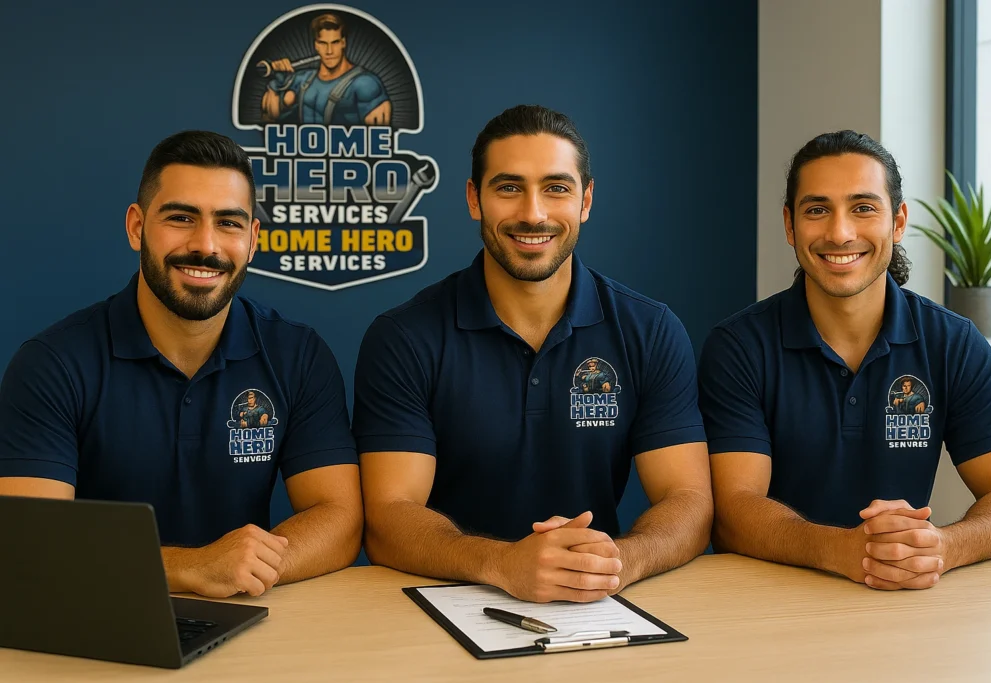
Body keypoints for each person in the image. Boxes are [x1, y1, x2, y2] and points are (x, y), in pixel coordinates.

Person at [353, 104, 712, 603]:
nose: (533, 214)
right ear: (474, 199)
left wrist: (617, 562)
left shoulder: (649, 330)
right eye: (508, 188)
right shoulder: (403, 337)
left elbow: (689, 501)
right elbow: (389, 516)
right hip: (443, 598)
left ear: (586, 200)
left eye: (556, 188)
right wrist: (503, 563)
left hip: (594, 599)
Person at [0, 130, 363, 597]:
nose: (205, 245)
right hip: (97, 617)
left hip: (246, 619)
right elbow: (30, 544)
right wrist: (191, 567)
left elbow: (341, 520)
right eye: (181, 217)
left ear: (253, 240)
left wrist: (250, 568)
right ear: (136, 227)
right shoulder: (53, 364)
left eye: (229, 223)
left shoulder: (297, 355)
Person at [698, 130, 991, 590]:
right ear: (790, 225)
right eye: (817, 210)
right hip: (766, 600)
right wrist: (843, 549)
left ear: (898, 221)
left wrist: (944, 547)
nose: (840, 232)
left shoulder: (953, 342)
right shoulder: (738, 347)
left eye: (863, 208)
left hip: (900, 599)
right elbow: (732, 511)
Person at [261, 12, 391, 126]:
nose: (329, 51)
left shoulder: (365, 85)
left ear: (343, 43)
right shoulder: (302, 80)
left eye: (335, 42)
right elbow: (269, 120)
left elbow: (377, 143)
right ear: (316, 45)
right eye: (323, 43)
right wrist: (277, 83)